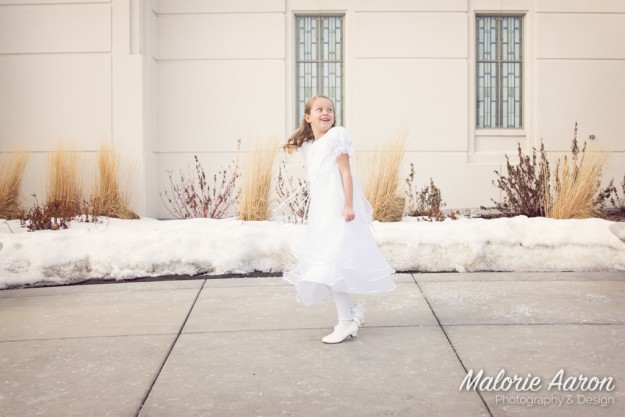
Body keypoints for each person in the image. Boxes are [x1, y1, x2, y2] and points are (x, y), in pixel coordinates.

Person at [283, 95, 396, 344]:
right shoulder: (308, 147)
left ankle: (346, 322)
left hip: (339, 210)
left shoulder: (337, 137)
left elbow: (345, 173)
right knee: (330, 263)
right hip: (322, 212)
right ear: (308, 116)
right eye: (320, 109)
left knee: (331, 264)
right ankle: (352, 313)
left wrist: (347, 205)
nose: (326, 113)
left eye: (330, 110)